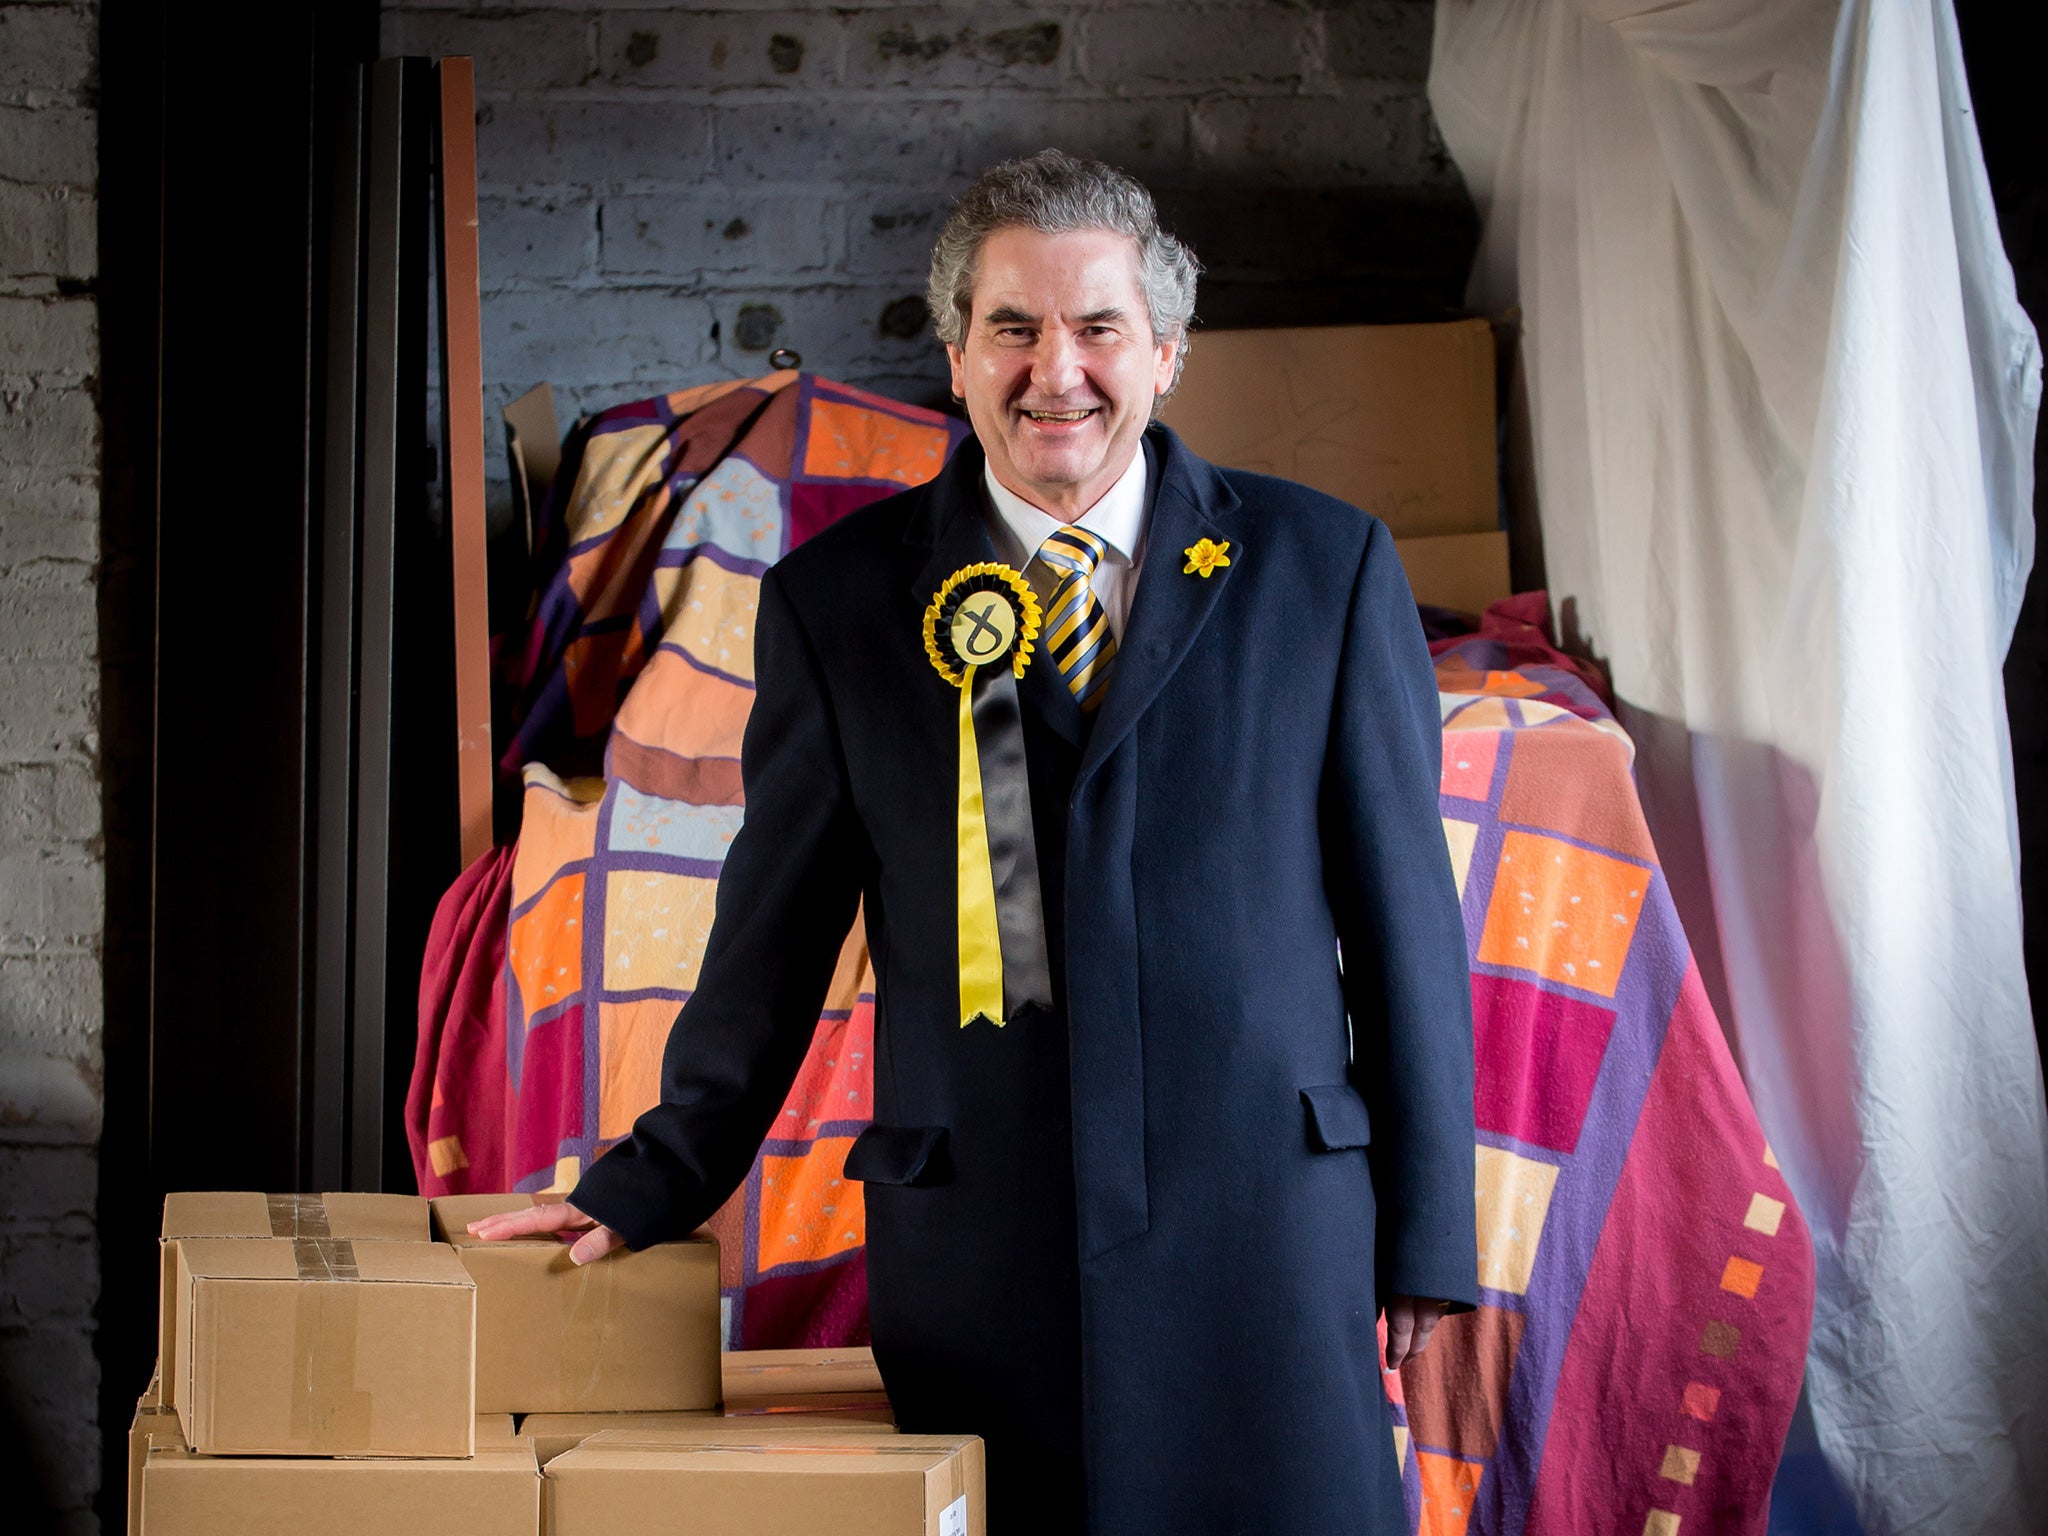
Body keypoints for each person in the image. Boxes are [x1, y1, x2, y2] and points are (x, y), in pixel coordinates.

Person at [472, 149, 1478, 1534]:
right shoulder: (839, 603)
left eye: (1097, 327)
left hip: (1269, 1239)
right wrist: (652, 1178)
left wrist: (1427, 1230)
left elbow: (1406, 928)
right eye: (1012, 327)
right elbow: (772, 937)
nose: (1053, 369)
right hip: (986, 1250)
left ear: (1168, 353)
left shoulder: (1328, 567)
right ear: (956, 355)